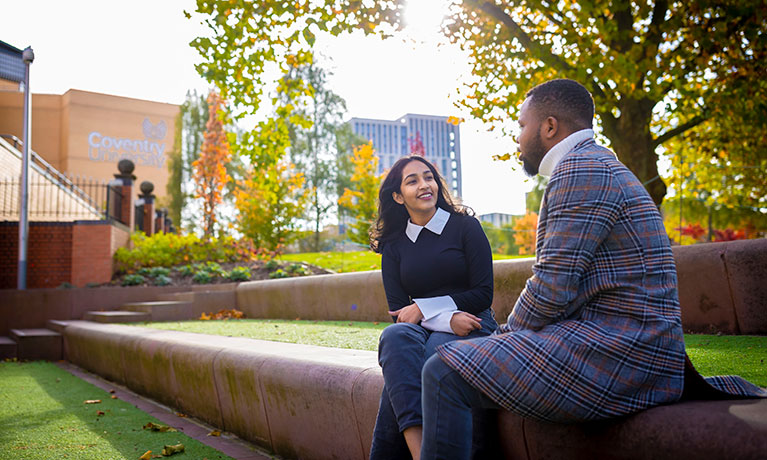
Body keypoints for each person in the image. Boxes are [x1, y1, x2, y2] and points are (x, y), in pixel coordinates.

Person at [419, 78, 767, 459]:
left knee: (444, 372)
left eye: (521, 126)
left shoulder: (581, 170)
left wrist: (504, 337)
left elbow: (551, 288)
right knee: (471, 364)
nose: (517, 138)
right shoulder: (595, 164)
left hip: (625, 353)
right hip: (622, 342)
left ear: (549, 127)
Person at [369, 155, 499, 460]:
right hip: (431, 328)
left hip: (474, 322)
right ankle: (421, 454)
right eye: (412, 181)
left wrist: (426, 310)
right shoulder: (394, 244)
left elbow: (483, 294)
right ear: (399, 197)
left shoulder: (466, 227)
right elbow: (400, 311)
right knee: (394, 337)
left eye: (428, 177)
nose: (424, 185)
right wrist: (444, 318)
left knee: (427, 360)